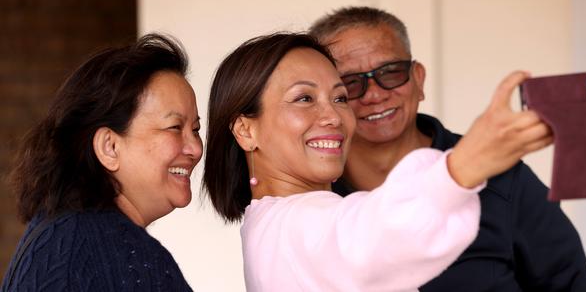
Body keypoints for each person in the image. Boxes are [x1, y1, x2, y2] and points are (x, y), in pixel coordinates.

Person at [202, 32, 552, 291]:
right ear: (246, 131)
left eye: (340, 97)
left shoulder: (269, 222)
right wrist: (466, 163)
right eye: (304, 98)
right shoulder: (296, 225)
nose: (334, 116)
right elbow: (376, 231)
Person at [309, 6, 586, 291]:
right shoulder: (309, 197)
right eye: (349, 83)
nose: (374, 95)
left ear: (418, 79)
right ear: (331, 99)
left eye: (391, 72)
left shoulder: (505, 180)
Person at [1, 34, 202, 291]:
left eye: (195, 129)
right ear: (110, 147)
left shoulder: (54, 237)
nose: (195, 148)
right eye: (175, 127)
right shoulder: (122, 257)